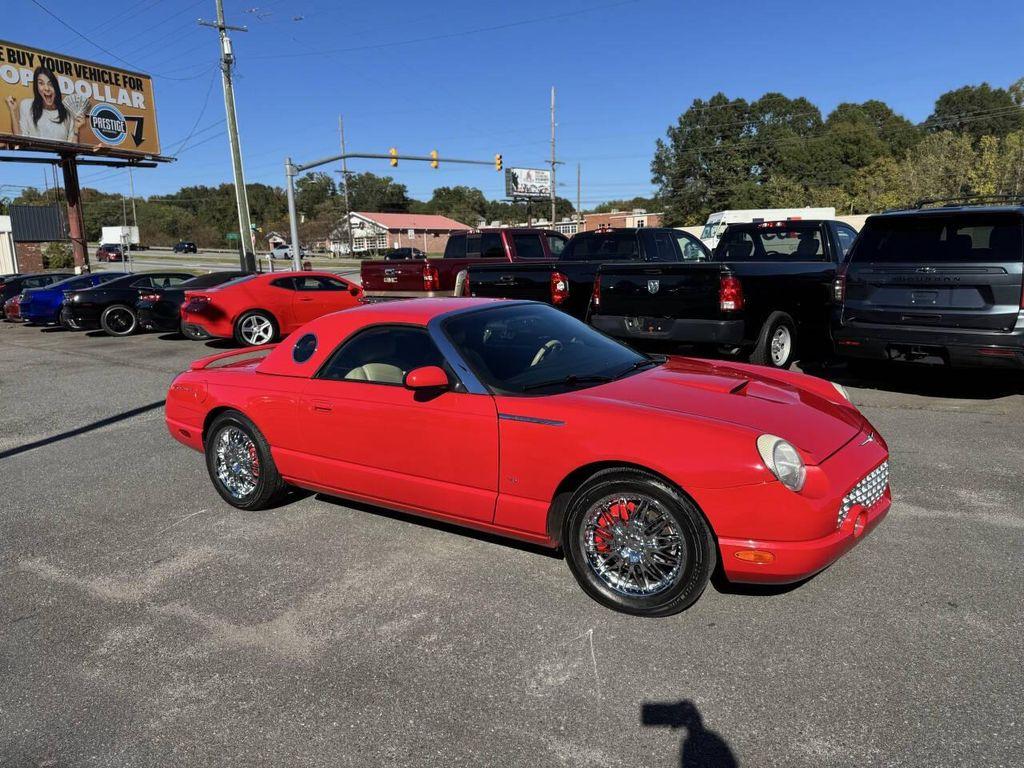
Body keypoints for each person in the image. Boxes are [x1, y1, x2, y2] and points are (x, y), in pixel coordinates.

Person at [5, 66, 85, 143]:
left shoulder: (67, 112)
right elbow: (20, 140)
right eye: (41, 83)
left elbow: (72, 147)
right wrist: (13, 111)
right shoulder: (26, 105)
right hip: (35, 155)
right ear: (36, 86)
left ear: (56, 87)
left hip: (59, 156)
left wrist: (76, 128)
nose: (47, 88)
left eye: (50, 84)